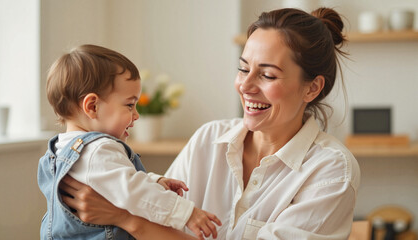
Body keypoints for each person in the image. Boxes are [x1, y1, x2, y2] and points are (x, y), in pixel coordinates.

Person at [60, 7, 361, 240]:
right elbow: (158, 216)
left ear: (312, 88)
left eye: (267, 75)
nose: (246, 86)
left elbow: (144, 225)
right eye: (243, 69)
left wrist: (126, 218)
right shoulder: (209, 139)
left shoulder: (331, 170)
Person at [37, 44, 221, 240]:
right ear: (92, 106)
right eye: (130, 105)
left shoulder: (61, 149)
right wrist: (186, 213)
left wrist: (154, 181)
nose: (136, 115)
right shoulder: (98, 149)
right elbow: (131, 190)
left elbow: (111, 183)